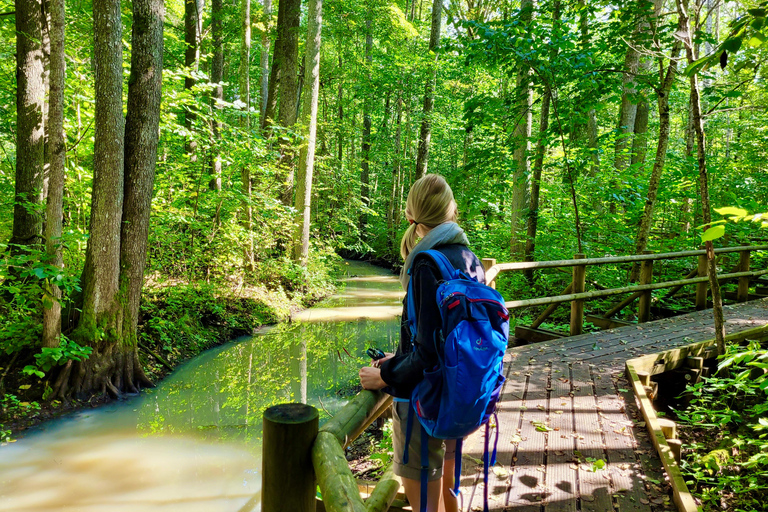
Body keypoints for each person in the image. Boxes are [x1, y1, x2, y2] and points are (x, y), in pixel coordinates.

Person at [359, 174, 485, 512]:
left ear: (411, 217)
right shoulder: (467, 257)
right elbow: (442, 337)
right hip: (461, 390)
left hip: (424, 401)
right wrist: (398, 356)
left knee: (425, 505)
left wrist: (385, 376)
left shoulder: (426, 264)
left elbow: (428, 353)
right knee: (449, 491)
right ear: (451, 211)